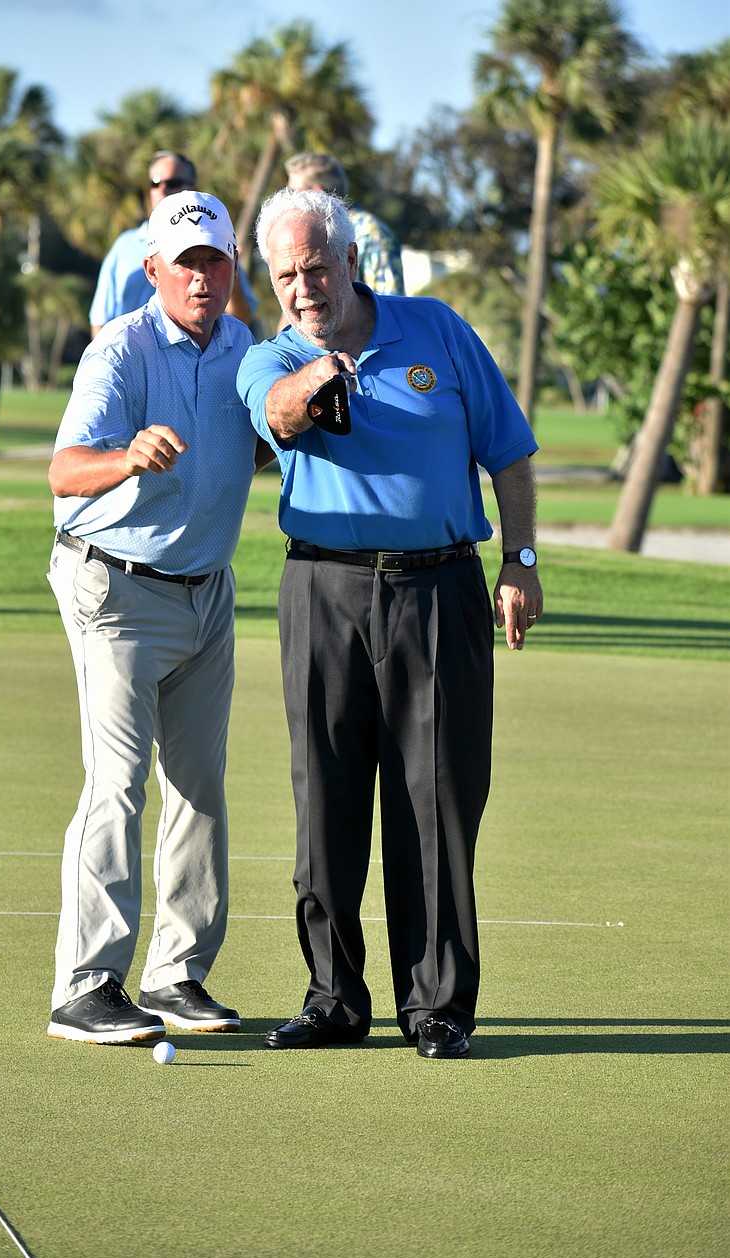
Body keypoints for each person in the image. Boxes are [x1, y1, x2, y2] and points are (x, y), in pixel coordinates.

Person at [237, 188, 543, 1059]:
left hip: (440, 589)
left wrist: (519, 561)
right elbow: (277, 415)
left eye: (316, 268)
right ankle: (333, 997)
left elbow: (510, 453)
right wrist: (312, 380)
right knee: (324, 799)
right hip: (322, 589)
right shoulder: (267, 357)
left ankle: (437, 1004)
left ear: (350, 261)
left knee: (438, 800)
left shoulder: (436, 330)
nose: (304, 289)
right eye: (287, 275)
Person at [47, 190, 264, 1045]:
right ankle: (87, 985)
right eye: (186, 263)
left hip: (208, 590)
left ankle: (177, 975)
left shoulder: (244, 344)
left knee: (201, 789)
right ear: (152, 270)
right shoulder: (121, 351)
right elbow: (63, 470)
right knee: (119, 782)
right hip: (117, 589)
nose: (202, 277)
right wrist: (125, 456)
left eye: (215, 260)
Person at [89, 150, 258, 335]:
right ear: (151, 269)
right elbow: (100, 320)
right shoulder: (123, 247)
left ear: (193, 187)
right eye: (155, 183)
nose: (162, 189)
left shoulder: (217, 241)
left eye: (173, 183)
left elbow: (240, 318)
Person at [284, 151, 405, 295]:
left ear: (317, 193)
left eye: (292, 192)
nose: (287, 200)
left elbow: (389, 303)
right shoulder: (310, 237)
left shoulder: (371, 233)